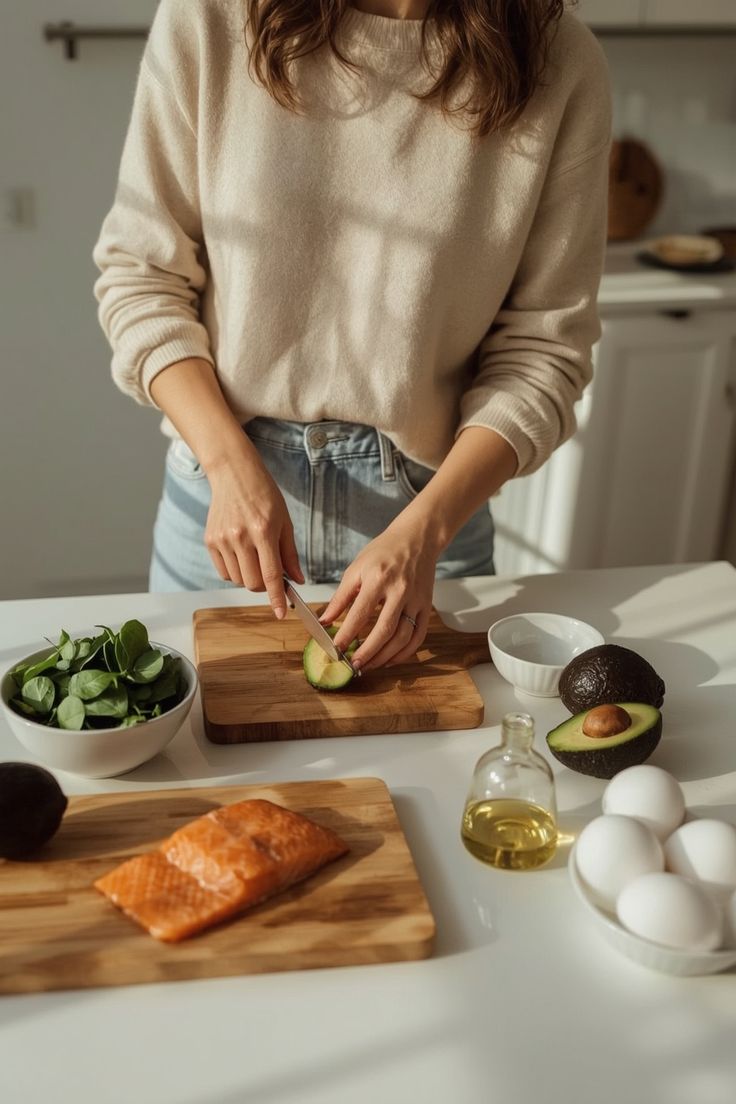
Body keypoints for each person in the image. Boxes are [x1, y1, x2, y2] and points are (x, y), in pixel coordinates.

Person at [93, 0, 611, 672]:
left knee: (437, 772)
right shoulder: (211, 17)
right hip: (224, 500)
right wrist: (227, 464)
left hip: (431, 517)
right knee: (194, 769)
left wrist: (424, 533)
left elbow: (546, 352)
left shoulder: (559, 60)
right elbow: (141, 278)